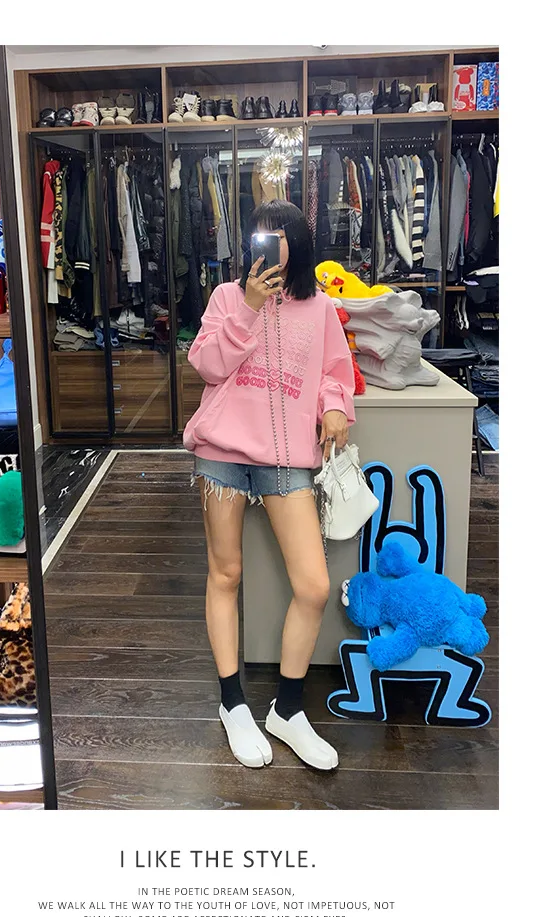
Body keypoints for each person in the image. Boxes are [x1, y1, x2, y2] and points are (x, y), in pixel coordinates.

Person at [183, 200, 356, 771]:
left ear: (298, 243)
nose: (268, 244)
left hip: (286, 461)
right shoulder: (226, 298)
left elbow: (335, 373)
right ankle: (233, 703)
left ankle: (287, 709)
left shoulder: (321, 307)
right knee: (225, 574)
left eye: (279, 235)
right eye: (259, 235)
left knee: (313, 585)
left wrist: (334, 406)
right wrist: (249, 308)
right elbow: (207, 365)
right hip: (222, 455)